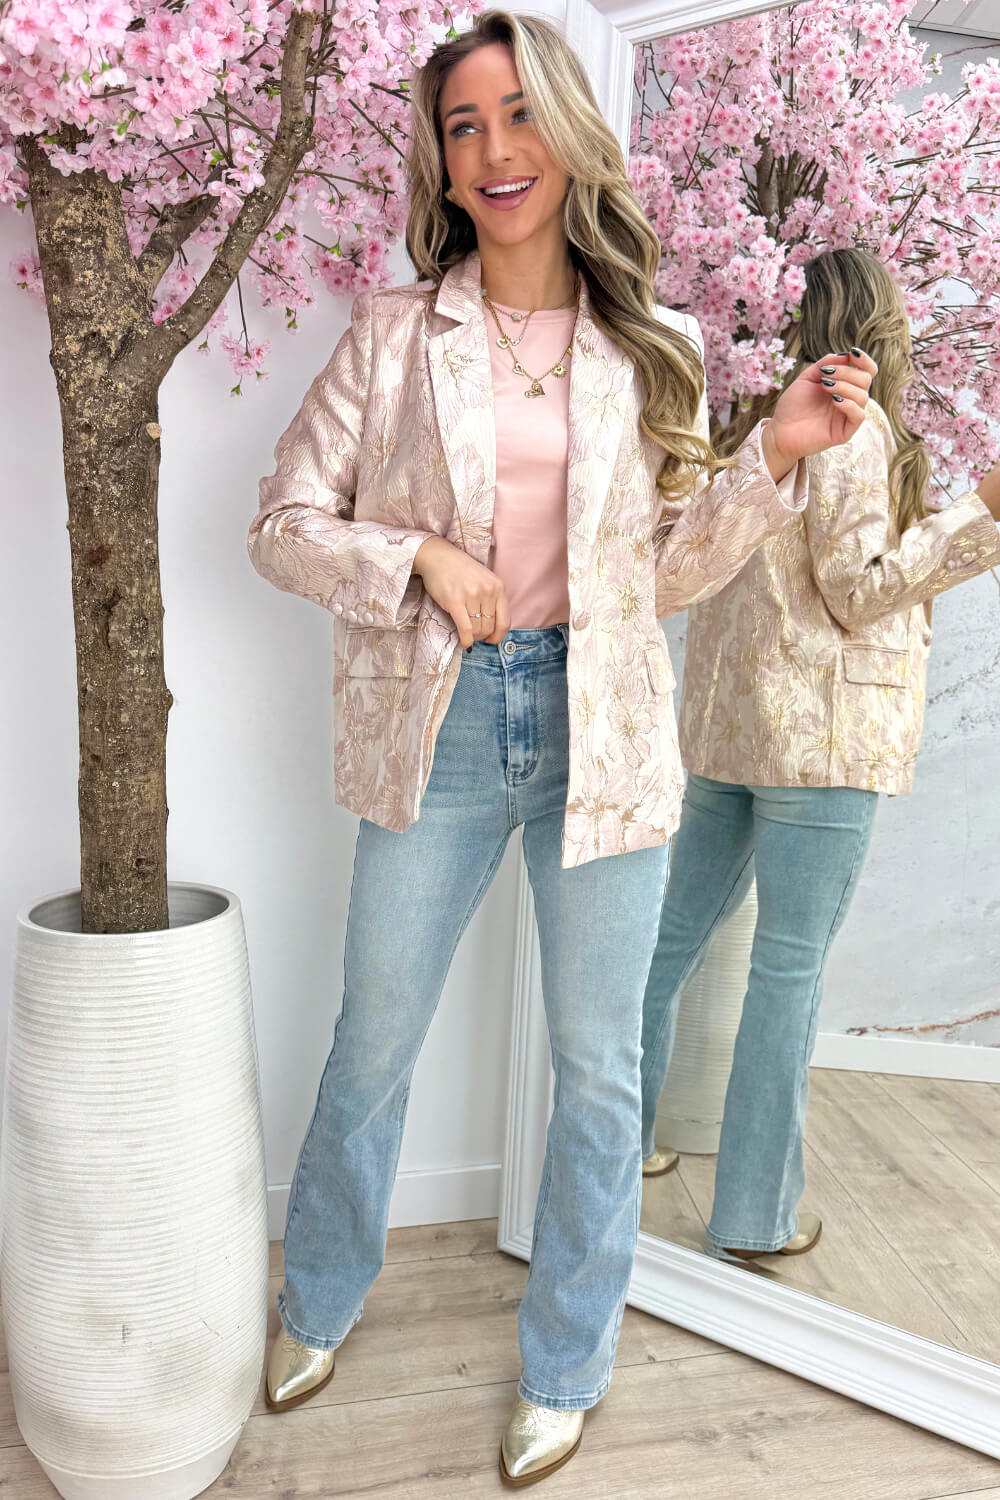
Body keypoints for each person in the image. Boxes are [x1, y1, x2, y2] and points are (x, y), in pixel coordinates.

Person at [247, 13, 873, 1487]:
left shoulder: (653, 347)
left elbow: (665, 573)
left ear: (570, 134)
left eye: (519, 113)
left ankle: (568, 1361)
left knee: (598, 1073)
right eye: (463, 124)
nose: (494, 148)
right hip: (445, 722)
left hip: (608, 727)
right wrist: (416, 558)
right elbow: (281, 526)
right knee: (374, 1038)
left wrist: (774, 455)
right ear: (443, 161)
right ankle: (319, 1296)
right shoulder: (394, 334)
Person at [640, 246, 1000, 1266]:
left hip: (728, 730)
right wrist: (979, 515)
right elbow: (859, 589)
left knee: (667, 946)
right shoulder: (851, 423)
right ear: (876, 319)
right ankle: (754, 1217)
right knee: (786, 974)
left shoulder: (747, 422)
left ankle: (615, 1155)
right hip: (823, 742)